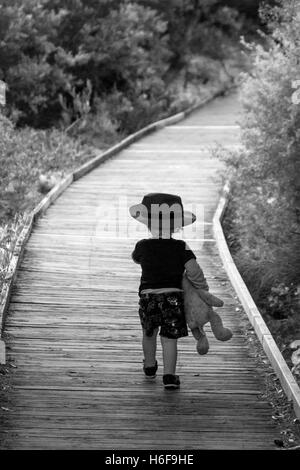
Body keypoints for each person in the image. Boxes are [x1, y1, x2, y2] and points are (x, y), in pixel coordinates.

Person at [130, 193, 210, 390]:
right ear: (176, 225)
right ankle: (169, 376)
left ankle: (149, 366)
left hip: (148, 296)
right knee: (169, 337)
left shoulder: (142, 246)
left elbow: (136, 258)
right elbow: (193, 271)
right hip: (172, 297)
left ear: (148, 223)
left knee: (149, 332)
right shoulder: (181, 247)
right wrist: (201, 289)